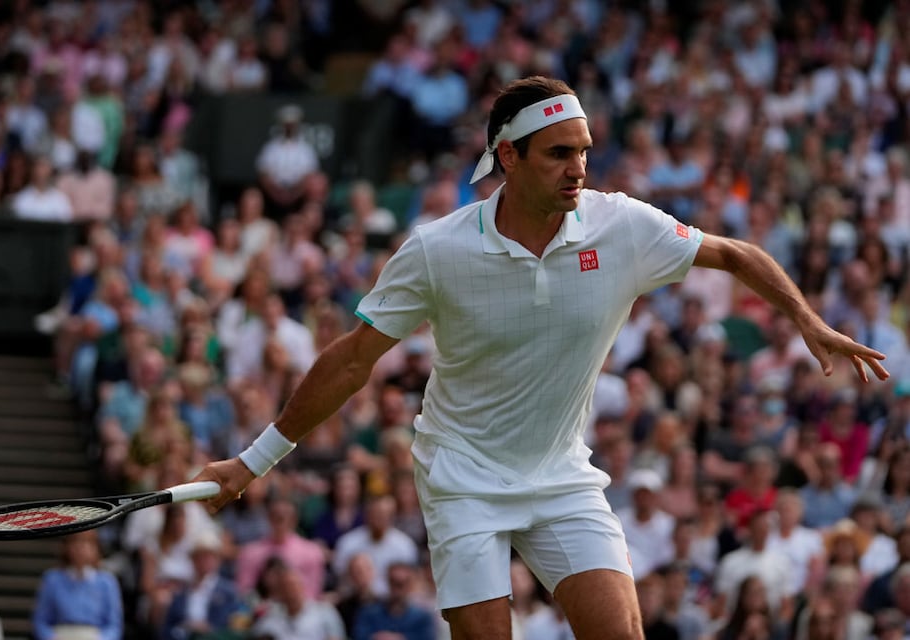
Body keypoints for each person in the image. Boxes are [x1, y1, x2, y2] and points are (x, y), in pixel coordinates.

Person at [193, 76, 889, 639]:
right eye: (558, 153)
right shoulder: (437, 250)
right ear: (509, 158)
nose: (579, 168)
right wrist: (251, 464)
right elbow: (351, 361)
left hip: (562, 476)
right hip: (462, 477)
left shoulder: (623, 225)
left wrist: (808, 321)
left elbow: (734, 254)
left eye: (584, 150)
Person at [31, 530, 123, 640]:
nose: (81, 548)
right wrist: (51, 637)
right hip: (61, 635)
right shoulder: (52, 579)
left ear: (96, 548)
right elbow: (40, 621)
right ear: (67, 547)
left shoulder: (107, 582)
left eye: (87, 543)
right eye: (75, 542)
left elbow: (114, 625)